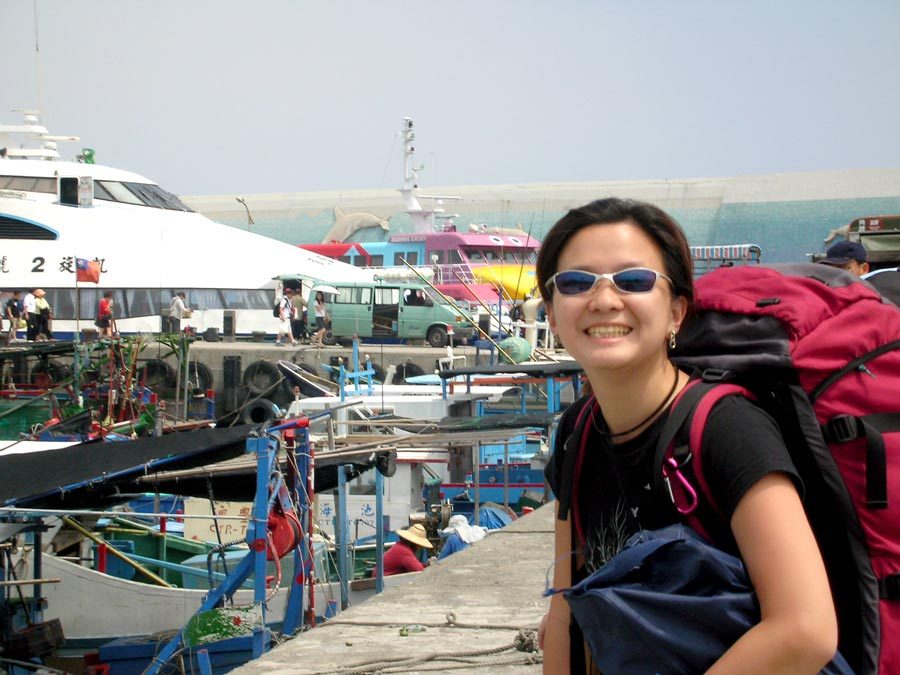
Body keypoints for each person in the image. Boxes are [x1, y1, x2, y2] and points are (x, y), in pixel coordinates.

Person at [537, 198, 838, 673]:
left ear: (677, 311)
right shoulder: (577, 433)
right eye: (576, 283)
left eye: (632, 280)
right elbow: (565, 617)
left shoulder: (726, 427)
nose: (603, 299)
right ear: (551, 314)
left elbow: (805, 629)